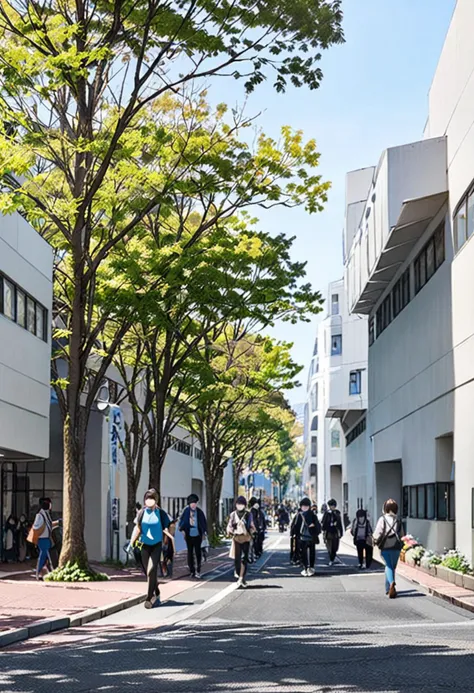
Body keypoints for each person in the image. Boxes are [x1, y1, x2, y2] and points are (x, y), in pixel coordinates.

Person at [131, 489, 172, 608]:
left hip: (156, 545)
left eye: (152, 498)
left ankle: (149, 598)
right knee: (147, 571)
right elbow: (138, 528)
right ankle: (156, 590)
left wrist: (167, 539)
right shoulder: (141, 513)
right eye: (147, 498)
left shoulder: (161, 513)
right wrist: (132, 542)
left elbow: (168, 526)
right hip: (144, 545)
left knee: (152, 569)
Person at [373, 499, 403, 598]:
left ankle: (391, 584)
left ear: (385, 508)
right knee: (392, 567)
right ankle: (389, 589)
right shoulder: (398, 520)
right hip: (396, 546)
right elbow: (402, 534)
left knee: (388, 566)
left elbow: (378, 533)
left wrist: (374, 540)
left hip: (385, 546)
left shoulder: (382, 519)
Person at [227, 496, 256, 588]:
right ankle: (240, 576)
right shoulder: (233, 514)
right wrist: (230, 531)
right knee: (237, 559)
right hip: (236, 538)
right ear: (236, 505)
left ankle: (241, 577)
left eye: (242, 504)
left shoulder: (248, 514)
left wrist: (251, 532)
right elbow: (229, 525)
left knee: (244, 558)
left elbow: (252, 525)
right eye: (238, 504)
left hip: (246, 538)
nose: (240, 506)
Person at [179, 493, 207, 579]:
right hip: (189, 535)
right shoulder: (186, 511)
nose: (193, 505)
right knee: (190, 553)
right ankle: (192, 570)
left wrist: (204, 534)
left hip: (197, 535)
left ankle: (198, 569)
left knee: (198, 553)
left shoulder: (200, 512)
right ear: (189, 504)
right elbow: (182, 523)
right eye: (192, 503)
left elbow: (203, 523)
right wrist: (183, 531)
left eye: (195, 503)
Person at [292, 498, 321, 576]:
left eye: (306, 506)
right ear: (301, 506)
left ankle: (310, 567)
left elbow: (317, 525)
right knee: (304, 553)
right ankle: (306, 568)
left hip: (310, 536)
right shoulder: (300, 515)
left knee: (311, 553)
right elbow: (295, 526)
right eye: (303, 506)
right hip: (304, 537)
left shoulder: (311, 515)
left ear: (309, 506)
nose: (304, 507)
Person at [31, 498, 58, 580]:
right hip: (43, 539)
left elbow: (48, 525)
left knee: (46, 556)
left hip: (46, 538)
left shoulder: (45, 514)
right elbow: (36, 527)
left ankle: (43, 572)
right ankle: (38, 572)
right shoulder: (40, 515)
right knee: (44, 556)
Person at [322, 498, 343, 566]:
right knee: (329, 546)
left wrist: (341, 532)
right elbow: (324, 522)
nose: (331, 507)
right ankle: (331, 559)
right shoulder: (327, 513)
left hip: (336, 532)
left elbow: (339, 523)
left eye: (333, 506)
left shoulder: (337, 513)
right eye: (330, 506)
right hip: (328, 532)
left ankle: (333, 557)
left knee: (335, 546)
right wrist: (323, 530)